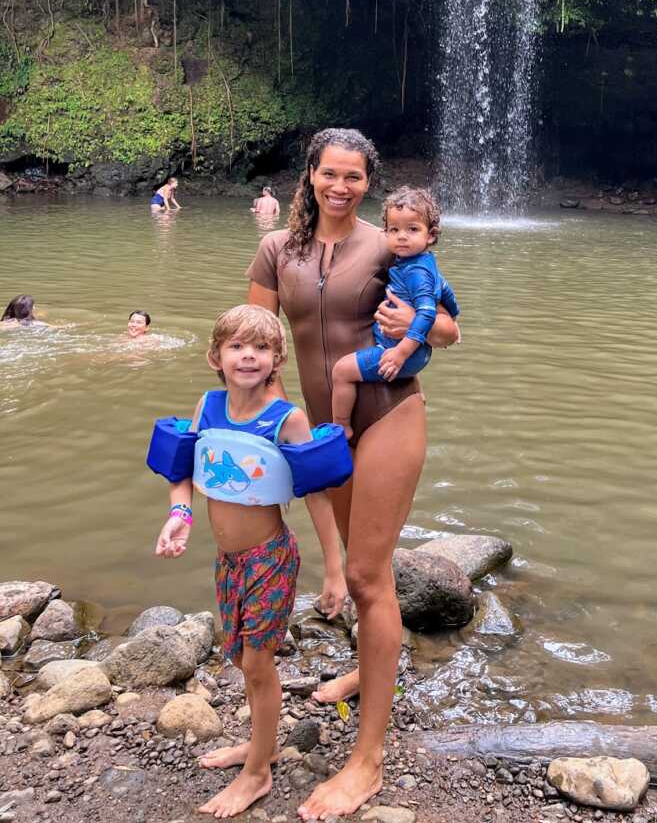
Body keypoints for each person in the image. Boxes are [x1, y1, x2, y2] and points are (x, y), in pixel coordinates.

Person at [246, 128, 460, 822]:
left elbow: (452, 327)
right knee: (365, 570)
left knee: (368, 575)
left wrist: (421, 327)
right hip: (323, 427)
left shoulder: (390, 242)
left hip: (390, 413)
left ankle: (367, 761)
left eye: (355, 176)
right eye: (329, 173)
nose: (341, 186)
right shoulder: (278, 250)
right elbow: (252, 336)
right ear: (309, 175)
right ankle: (366, 668)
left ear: (369, 182)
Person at [154, 304, 345, 820]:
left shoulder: (288, 418)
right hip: (228, 560)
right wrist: (179, 517)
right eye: (237, 347)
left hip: (269, 559)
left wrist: (334, 569)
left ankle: (257, 773)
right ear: (215, 355)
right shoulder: (209, 406)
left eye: (260, 348)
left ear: (277, 358)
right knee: (241, 659)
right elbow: (185, 470)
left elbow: (317, 494)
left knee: (259, 664)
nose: (248, 356)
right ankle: (260, 745)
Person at [330, 186, 458, 437]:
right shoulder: (423, 262)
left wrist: (399, 352)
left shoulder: (415, 272)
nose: (401, 237)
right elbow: (445, 289)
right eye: (394, 230)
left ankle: (340, 425)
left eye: (412, 229)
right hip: (411, 351)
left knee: (342, 371)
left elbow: (426, 314)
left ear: (430, 235)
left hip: (401, 352)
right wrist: (454, 314)